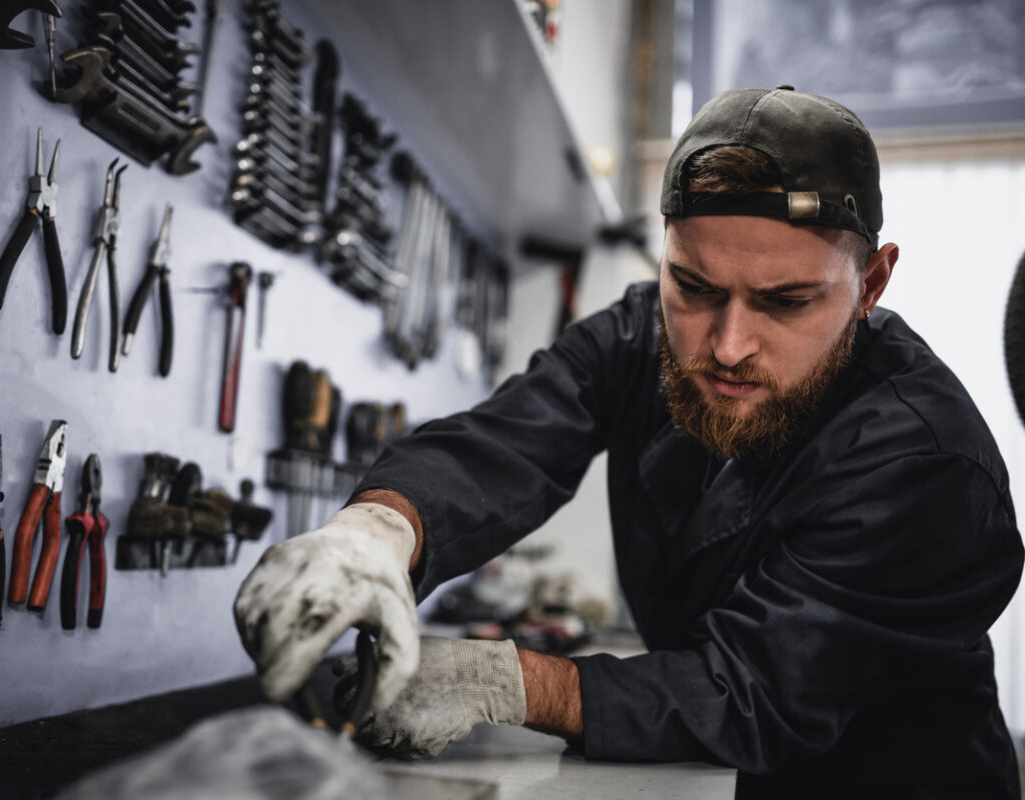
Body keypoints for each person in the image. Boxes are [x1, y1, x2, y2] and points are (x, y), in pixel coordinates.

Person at [234, 86, 1025, 798]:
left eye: (786, 301)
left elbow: (753, 692)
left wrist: (505, 683)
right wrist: (376, 532)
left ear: (871, 286)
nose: (727, 344)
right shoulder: (638, 336)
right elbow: (508, 440)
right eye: (695, 286)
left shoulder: (929, 466)